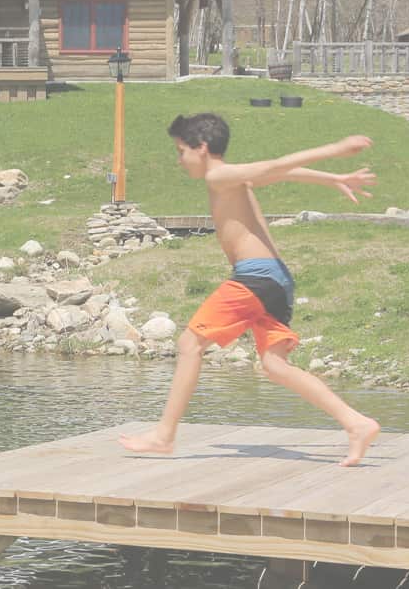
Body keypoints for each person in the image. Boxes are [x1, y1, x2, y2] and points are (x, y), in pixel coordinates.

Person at [117, 113, 382, 467]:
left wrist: (335, 150)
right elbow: (279, 172)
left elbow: (277, 164)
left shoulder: (218, 174)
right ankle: (356, 423)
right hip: (276, 279)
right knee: (275, 365)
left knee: (189, 345)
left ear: (202, 148)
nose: (180, 160)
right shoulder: (231, 176)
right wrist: (333, 178)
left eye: (182, 152)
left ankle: (164, 435)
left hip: (255, 278)